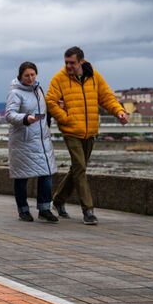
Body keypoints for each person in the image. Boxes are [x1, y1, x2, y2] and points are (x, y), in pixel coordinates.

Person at [46, 46, 129, 225]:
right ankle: (88, 210)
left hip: (90, 131)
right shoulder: (59, 79)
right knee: (81, 168)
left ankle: (58, 200)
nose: (68, 66)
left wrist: (119, 112)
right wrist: (65, 118)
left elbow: (107, 97)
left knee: (77, 168)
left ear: (81, 62)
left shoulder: (94, 77)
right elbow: (51, 101)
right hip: (71, 131)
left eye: (72, 63)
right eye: (66, 62)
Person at [5, 62, 59, 223]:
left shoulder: (39, 90)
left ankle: (44, 209)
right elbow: (9, 115)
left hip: (41, 140)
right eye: (27, 75)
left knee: (46, 174)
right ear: (20, 76)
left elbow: (43, 110)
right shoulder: (15, 93)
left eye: (33, 75)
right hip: (24, 141)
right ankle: (23, 210)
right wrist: (25, 118)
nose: (30, 78)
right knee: (22, 177)